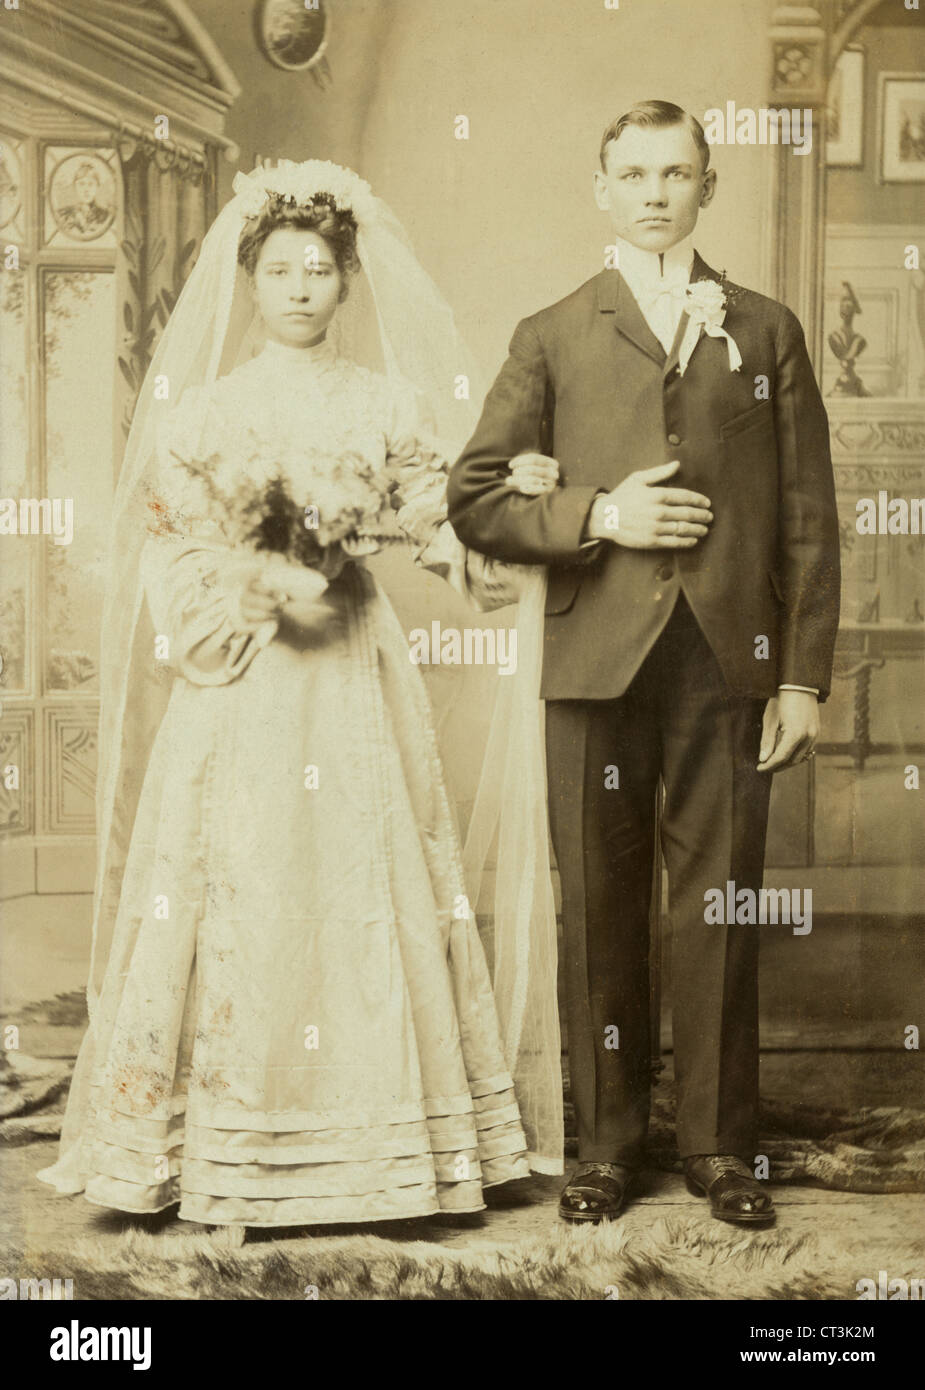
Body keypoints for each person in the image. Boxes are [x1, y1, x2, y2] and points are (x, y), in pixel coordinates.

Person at [37, 160, 564, 1229]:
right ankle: (213, 1145)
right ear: (250, 278)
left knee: (363, 871)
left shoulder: (384, 403)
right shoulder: (210, 411)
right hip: (246, 675)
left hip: (352, 671)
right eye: (278, 269)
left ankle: (380, 1148)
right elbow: (169, 550)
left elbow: (438, 520)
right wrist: (248, 587)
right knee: (236, 873)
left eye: (319, 270)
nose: (298, 288)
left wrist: (498, 517)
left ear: (346, 280)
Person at [448, 102, 841, 1226]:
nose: (656, 191)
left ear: (708, 188)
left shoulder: (764, 330)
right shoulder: (552, 331)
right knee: (599, 905)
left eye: (678, 172)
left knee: (720, 899)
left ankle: (722, 1148)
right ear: (602, 189)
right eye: (635, 172)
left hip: (729, 659)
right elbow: (472, 496)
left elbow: (810, 514)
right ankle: (607, 1144)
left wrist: (802, 675)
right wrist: (598, 514)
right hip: (594, 660)